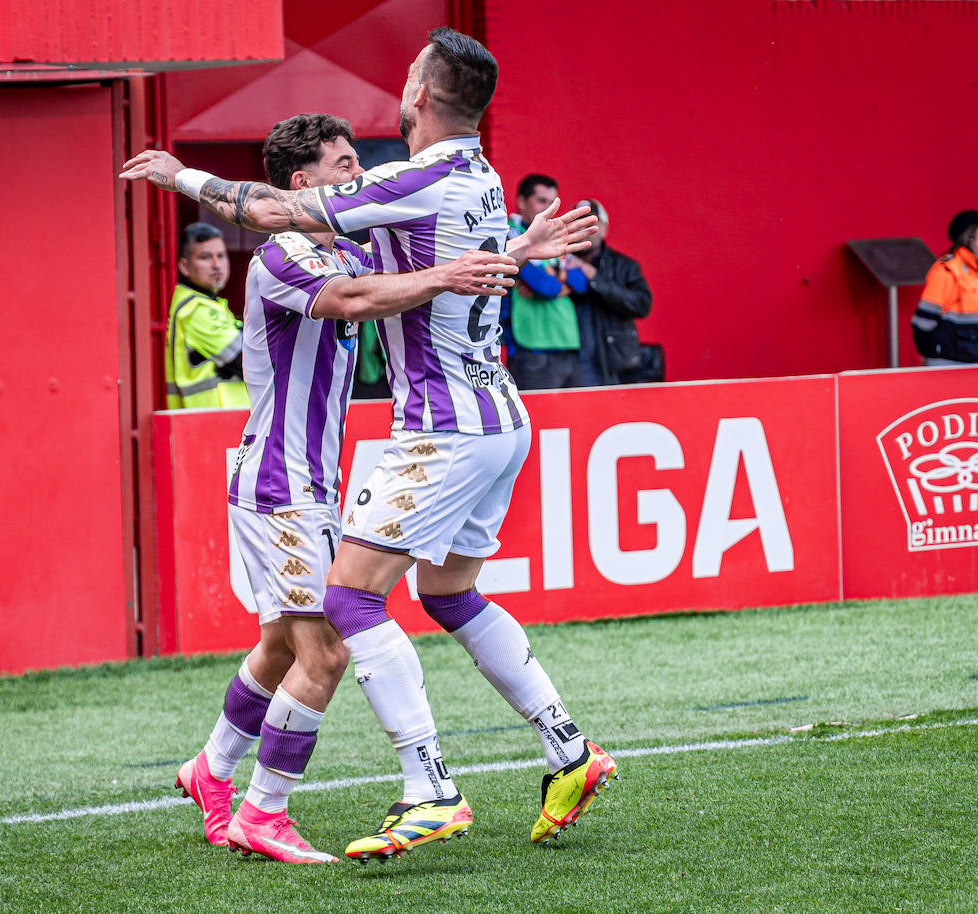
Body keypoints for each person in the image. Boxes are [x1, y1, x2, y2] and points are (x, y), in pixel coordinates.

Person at [122, 27, 616, 863]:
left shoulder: (404, 185)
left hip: (443, 428)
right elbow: (374, 281)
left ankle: (426, 790)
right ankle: (567, 748)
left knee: (339, 615)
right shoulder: (478, 178)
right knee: (400, 610)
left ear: (421, 90)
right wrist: (501, 255)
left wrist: (180, 175)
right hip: (476, 424)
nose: (357, 174)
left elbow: (317, 239)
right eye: (341, 165)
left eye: (359, 162)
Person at [174, 113, 518, 865]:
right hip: (280, 483)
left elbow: (415, 273)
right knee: (325, 650)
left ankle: (211, 768)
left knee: (278, 645)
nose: (357, 175)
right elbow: (355, 300)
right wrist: (443, 276)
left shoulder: (348, 244)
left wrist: (515, 249)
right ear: (305, 184)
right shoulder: (284, 256)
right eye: (344, 163)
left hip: (306, 480)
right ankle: (265, 813)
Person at [563, 198, 654, 385]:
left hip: (616, 364)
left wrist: (595, 278)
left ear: (604, 228)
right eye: (579, 224)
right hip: (572, 362)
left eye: (592, 224)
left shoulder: (624, 266)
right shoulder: (559, 262)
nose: (585, 230)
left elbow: (642, 305)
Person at [505, 174, 582, 389]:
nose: (548, 209)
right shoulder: (509, 235)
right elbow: (544, 287)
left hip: (567, 343)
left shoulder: (555, 234)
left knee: (577, 419)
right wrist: (563, 283)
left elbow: (583, 282)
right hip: (531, 347)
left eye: (552, 203)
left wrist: (557, 278)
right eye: (541, 201)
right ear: (521, 202)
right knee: (541, 420)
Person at [165, 223, 250, 409]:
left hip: (214, 419)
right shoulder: (195, 310)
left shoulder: (204, 304)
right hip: (211, 420)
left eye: (220, 256)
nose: (216, 265)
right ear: (184, 266)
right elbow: (251, 361)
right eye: (205, 257)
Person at [911, 209, 978, 365]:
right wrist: (929, 354)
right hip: (951, 367)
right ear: (969, 236)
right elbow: (923, 322)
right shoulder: (947, 270)